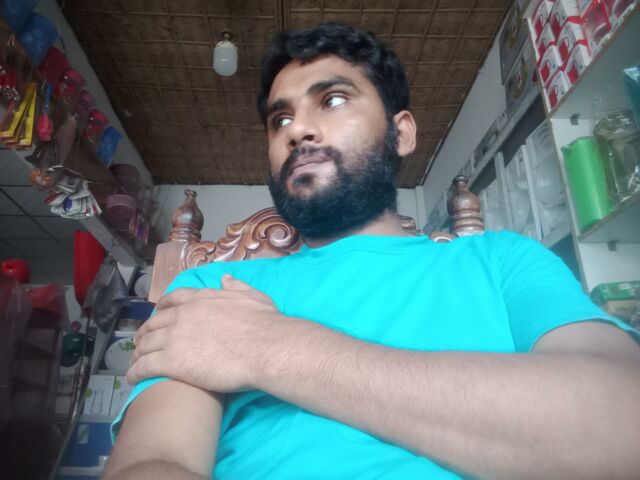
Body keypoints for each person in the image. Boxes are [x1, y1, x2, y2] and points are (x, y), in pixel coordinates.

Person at [104, 23, 640, 480]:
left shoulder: (503, 261)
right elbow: (149, 465)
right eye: (279, 119)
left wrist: (269, 347)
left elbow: (623, 426)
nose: (297, 130)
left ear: (401, 133)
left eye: (333, 100)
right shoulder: (211, 293)